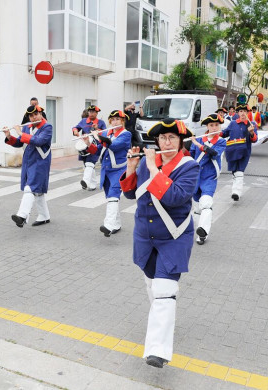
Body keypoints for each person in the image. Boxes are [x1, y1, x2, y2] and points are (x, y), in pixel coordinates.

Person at [119, 118, 199, 368]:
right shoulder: (145, 161)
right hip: (145, 236)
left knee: (164, 290)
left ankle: (157, 350)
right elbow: (131, 194)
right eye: (163, 138)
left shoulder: (190, 166)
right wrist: (132, 168)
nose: (167, 142)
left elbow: (175, 197)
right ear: (156, 141)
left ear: (181, 141)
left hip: (173, 237)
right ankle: (163, 320)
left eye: (172, 138)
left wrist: (154, 170)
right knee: (153, 286)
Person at [84, 110, 131, 237]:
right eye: (113, 120)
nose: (115, 122)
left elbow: (114, 146)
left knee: (113, 196)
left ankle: (108, 225)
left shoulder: (126, 134)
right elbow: (97, 150)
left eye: (118, 119)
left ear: (122, 121)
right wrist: (88, 142)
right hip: (106, 170)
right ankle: (116, 224)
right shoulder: (108, 134)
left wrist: (98, 137)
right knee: (111, 198)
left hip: (119, 170)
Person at [7, 105, 52, 227]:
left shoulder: (47, 127)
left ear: (41, 114)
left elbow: (38, 141)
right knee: (37, 192)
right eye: (31, 116)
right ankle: (44, 216)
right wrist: (9, 136)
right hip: (28, 162)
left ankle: (22, 216)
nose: (33, 117)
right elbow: (19, 142)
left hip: (40, 162)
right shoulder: (27, 127)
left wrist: (20, 132)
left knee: (30, 188)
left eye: (35, 114)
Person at [189, 114, 226, 245]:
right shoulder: (199, 139)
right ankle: (200, 235)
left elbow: (213, 153)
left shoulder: (221, 141)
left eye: (216, 125)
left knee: (206, 203)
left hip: (210, 177)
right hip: (196, 176)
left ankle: (203, 230)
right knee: (198, 207)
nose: (214, 127)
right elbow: (191, 157)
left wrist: (196, 143)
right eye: (211, 125)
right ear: (207, 127)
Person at [222, 104, 258, 201]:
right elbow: (224, 133)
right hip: (232, 151)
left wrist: (251, 132)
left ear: (247, 113)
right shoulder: (233, 123)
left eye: (245, 111)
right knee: (234, 172)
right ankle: (236, 190)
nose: (243, 113)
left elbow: (255, 139)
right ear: (238, 113)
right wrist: (216, 132)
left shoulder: (252, 124)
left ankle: (236, 192)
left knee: (240, 172)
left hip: (245, 151)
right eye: (241, 111)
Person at [72, 105, 106, 191]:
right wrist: (75, 131)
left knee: (90, 163)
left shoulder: (101, 122)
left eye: (93, 112)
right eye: (90, 112)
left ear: (97, 113)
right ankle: (93, 184)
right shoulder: (84, 121)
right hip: (85, 145)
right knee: (88, 165)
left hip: (96, 146)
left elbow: (105, 134)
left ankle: (86, 181)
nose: (91, 113)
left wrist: (97, 129)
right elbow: (76, 127)